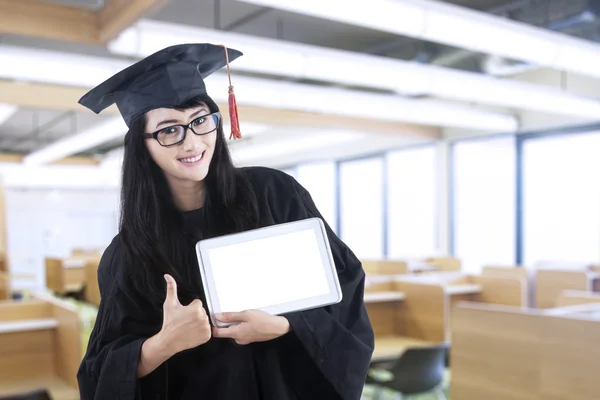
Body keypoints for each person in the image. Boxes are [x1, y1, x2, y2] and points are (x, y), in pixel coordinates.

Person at [76, 43, 374, 400]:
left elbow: (344, 284)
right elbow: (98, 377)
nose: (192, 143)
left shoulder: (275, 194)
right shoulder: (130, 252)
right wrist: (163, 344)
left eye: (200, 121)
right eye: (169, 130)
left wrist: (284, 325)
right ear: (143, 146)